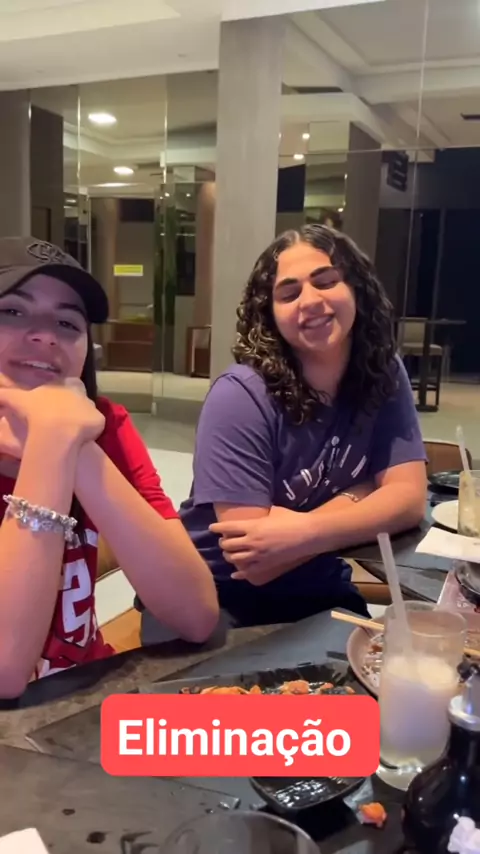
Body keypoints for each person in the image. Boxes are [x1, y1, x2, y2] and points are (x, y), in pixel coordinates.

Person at [0, 237, 219, 698]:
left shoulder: (103, 426)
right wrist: (53, 439)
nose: (46, 335)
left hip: (87, 699)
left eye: (67, 322)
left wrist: (74, 442)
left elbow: (195, 615)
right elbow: (5, 671)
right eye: (12, 311)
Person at [180, 225, 427, 627]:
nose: (310, 301)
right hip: (215, 593)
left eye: (325, 282)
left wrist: (306, 531)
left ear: (356, 289)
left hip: (319, 580)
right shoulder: (240, 396)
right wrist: (366, 493)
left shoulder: (382, 372)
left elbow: (409, 500)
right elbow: (255, 563)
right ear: (270, 315)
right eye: (289, 293)